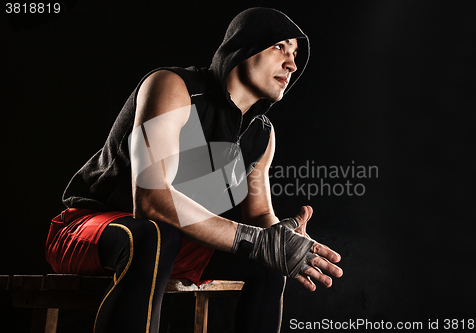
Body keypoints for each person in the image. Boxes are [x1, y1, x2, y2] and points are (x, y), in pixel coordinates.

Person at [45, 7, 343, 333]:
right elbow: (152, 200)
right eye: (280, 47)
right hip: (90, 230)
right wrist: (256, 240)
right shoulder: (173, 87)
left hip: (173, 245)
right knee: (155, 234)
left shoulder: (262, 135)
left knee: (269, 265)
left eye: (295, 53)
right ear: (243, 48)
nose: (292, 63)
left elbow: (260, 218)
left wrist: (285, 239)